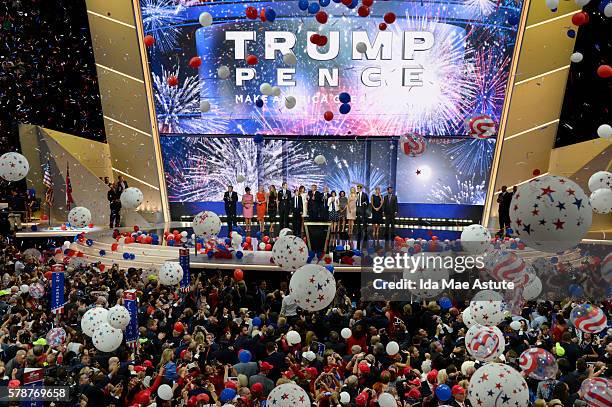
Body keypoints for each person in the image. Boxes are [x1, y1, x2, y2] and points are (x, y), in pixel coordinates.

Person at [355, 184, 369, 249]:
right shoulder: (355, 194)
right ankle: (358, 231)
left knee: (363, 220)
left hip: (362, 208)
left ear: (361, 188)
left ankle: (364, 231)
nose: (358, 189)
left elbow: (367, 202)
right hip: (357, 208)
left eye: (359, 188)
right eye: (357, 188)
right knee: (358, 220)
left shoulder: (364, 194)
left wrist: (364, 204)